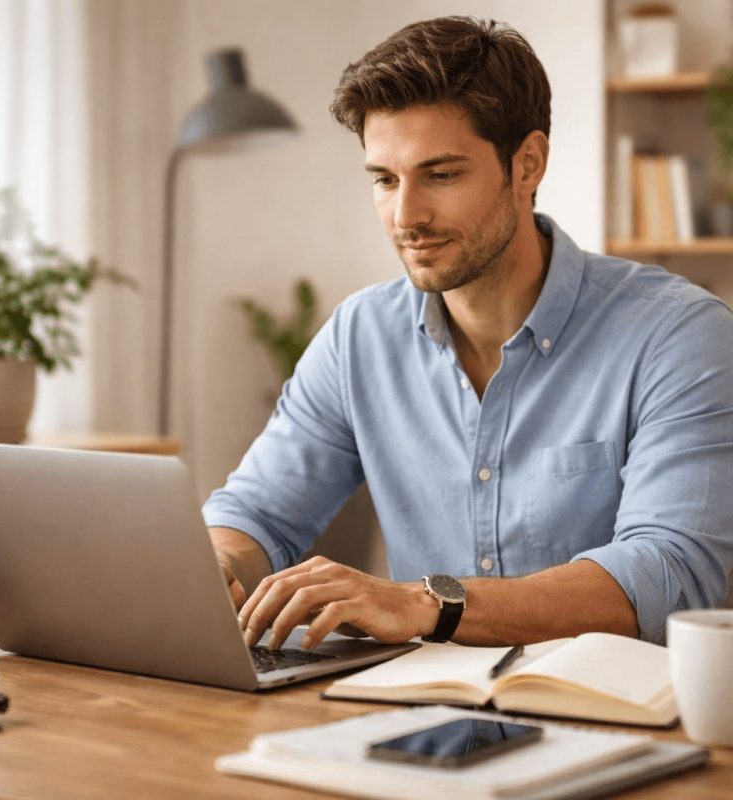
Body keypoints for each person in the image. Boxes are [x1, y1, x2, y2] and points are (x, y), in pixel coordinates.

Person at [202, 16, 733, 651]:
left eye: (442, 174)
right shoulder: (358, 338)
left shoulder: (679, 334)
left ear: (527, 164)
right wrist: (222, 566)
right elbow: (255, 514)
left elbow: (670, 571)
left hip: (616, 721)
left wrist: (425, 604)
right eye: (384, 179)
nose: (406, 216)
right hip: (422, 717)